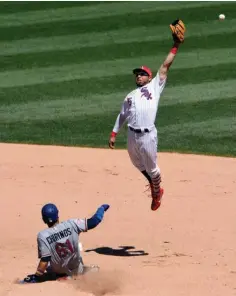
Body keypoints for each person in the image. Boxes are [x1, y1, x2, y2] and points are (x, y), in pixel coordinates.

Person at [108, 20, 186, 211]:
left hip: (147, 135)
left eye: (142, 74)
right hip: (132, 135)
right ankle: (153, 183)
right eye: (137, 74)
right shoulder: (130, 95)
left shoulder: (155, 86)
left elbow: (166, 66)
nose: (139, 76)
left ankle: (157, 191)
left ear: (149, 77)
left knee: (153, 169)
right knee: (136, 163)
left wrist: (176, 46)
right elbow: (122, 114)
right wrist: (113, 133)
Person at [22, 203, 110, 283]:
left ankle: (67, 275)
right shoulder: (72, 224)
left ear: (44, 219)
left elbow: (44, 260)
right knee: (78, 247)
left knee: (48, 261)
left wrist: (36, 277)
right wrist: (101, 209)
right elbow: (94, 221)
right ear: (57, 216)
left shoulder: (42, 235)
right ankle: (83, 272)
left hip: (58, 272)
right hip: (76, 268)